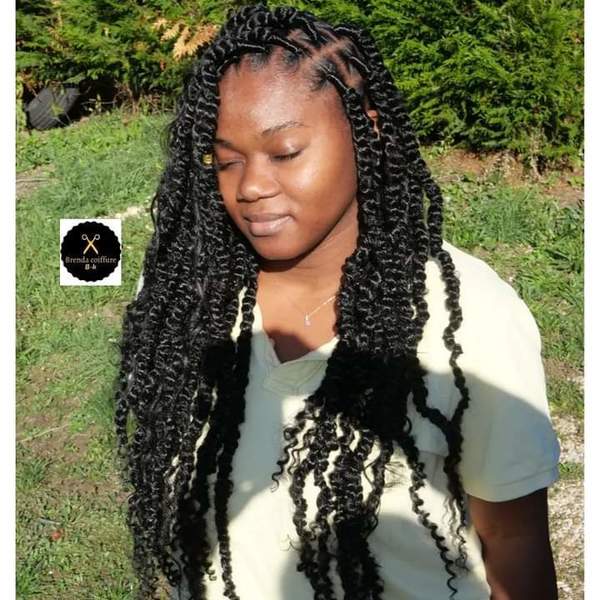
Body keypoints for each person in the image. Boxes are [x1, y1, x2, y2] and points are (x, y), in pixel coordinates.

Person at [115, 5, 560, 599]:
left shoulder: (472, 318)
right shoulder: (185, 292)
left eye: (285, 152)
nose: (250, 186)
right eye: (226, 161)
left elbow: (513, 539)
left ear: (366, 128)